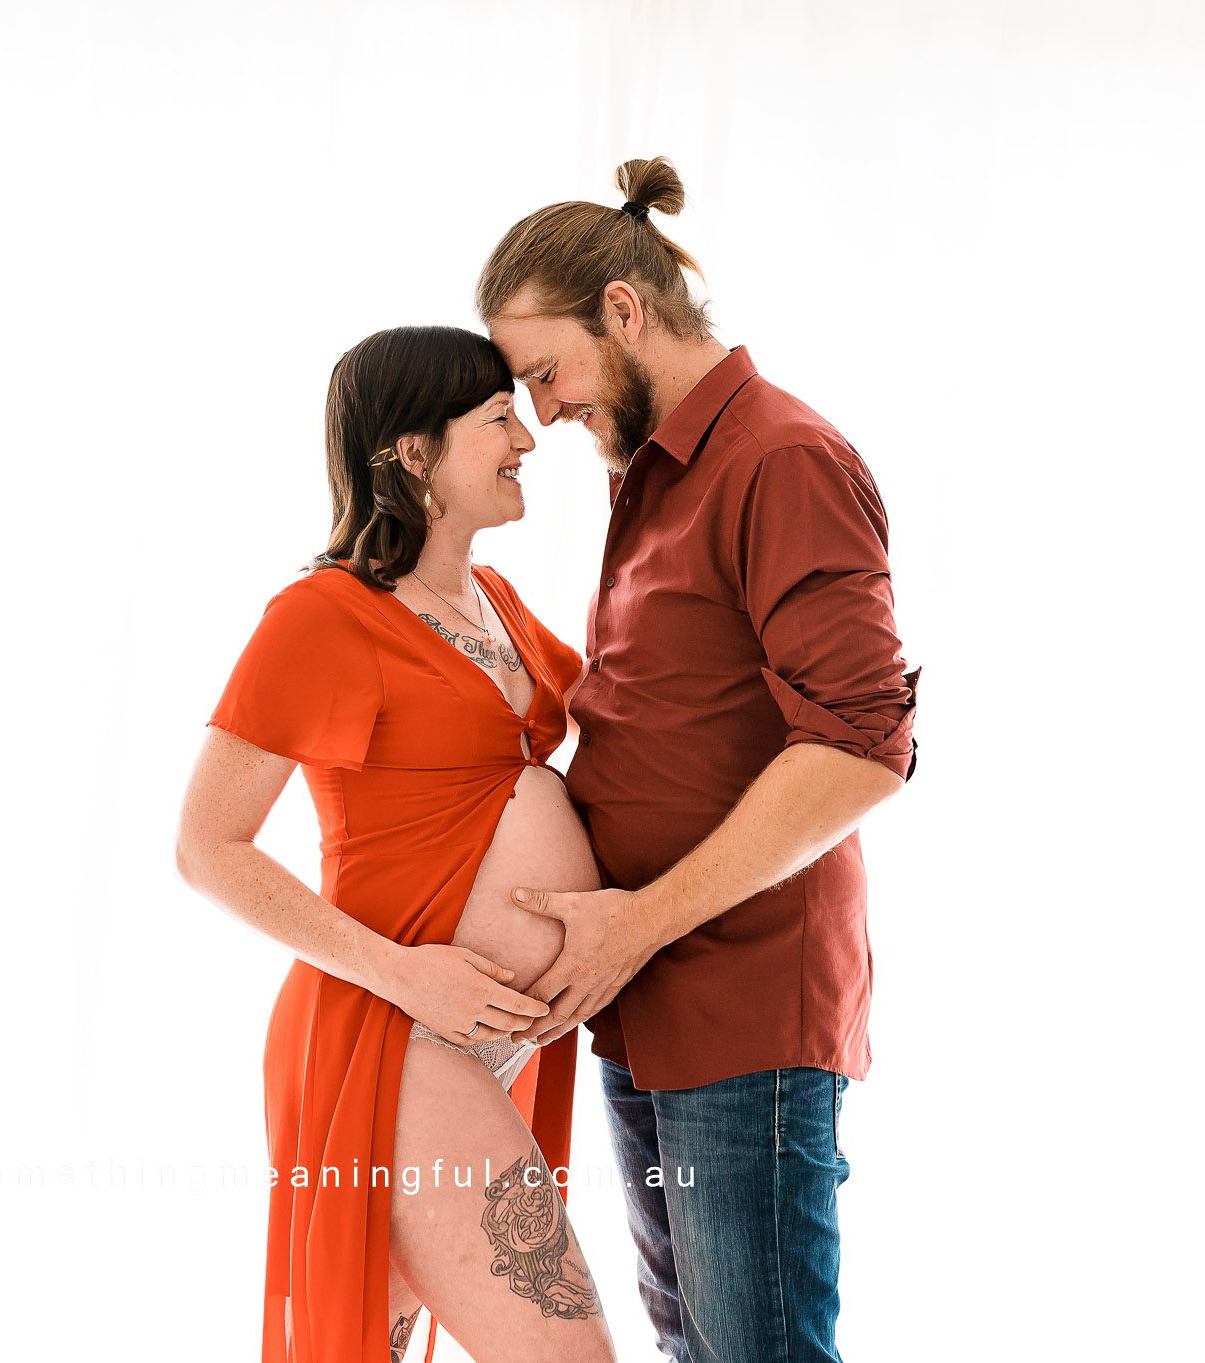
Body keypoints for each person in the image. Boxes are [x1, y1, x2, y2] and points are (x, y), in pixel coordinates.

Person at [474, 156, 921, 1362]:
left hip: (741, 1012)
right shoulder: (653, 474)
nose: (544, 410)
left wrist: (635, 920)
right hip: (650, 1005)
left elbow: (863, 747)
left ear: (623, 309)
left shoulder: (778, 460)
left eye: (545, 371)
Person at [174, 326, 619, 1363]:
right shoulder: (323, 615)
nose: (527, 438)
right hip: (394, 1037)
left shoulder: (496, 602)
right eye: (497, 419)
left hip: (480, 1045)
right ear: (414, 455)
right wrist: (403, 975)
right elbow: (207, 846)